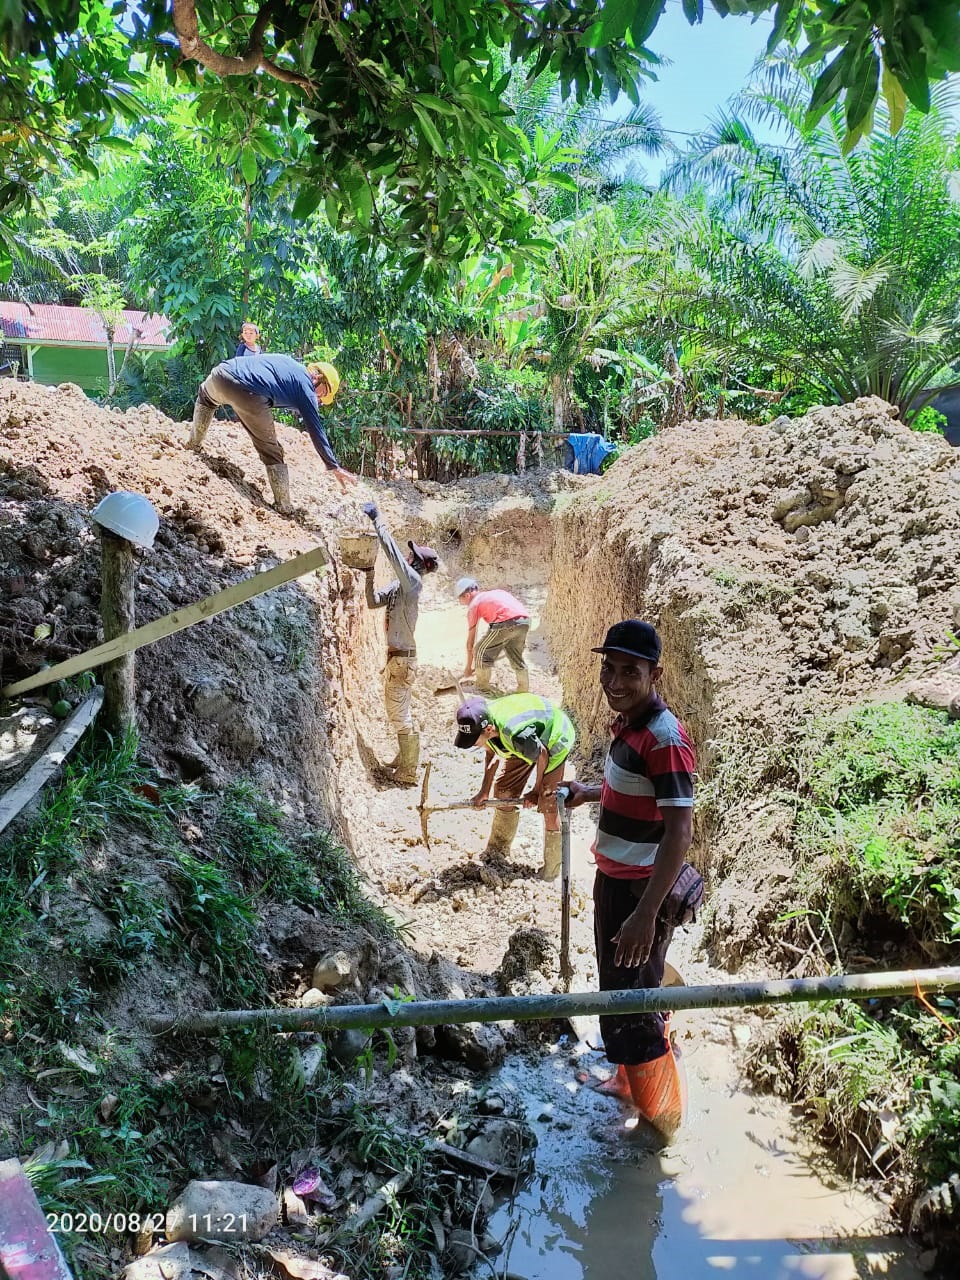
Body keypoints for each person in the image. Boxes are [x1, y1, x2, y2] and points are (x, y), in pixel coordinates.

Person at [564, 619, 703, 1141]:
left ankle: (661, 1125)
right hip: (616, 881)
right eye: (609, 668)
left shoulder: (665, 739)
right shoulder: (631, 726)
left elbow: (679, 831)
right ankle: (628, 1081)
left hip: (639, 892)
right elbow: (636, 792)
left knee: (635, 1007)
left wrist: (645, 912)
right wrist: (591, 792)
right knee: (621, 989)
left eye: (630, 672)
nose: (615, 681)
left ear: (655, 674)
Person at [187, 354, 353, 514]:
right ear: (318, 379)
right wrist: (332, 465)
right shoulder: (306, 386)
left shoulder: (289, 364)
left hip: (221, 373)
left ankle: (193, 444)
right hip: (248, 393)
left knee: (206, 398)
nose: (319, 399)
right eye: (323, 393)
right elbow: (315, 428)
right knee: (271, 450)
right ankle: (284, 505)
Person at [454, 692, 575, 880]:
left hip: (553, 737)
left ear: (488, 730)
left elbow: (542, 755)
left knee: (548, 805)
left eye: (473, 740)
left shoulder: (515, 733)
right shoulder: (485, 717)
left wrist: (536, 791)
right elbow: (491, 751)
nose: (473, 745)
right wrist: (484, 791)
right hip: (527, 739)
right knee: (503, 792)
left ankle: (551, 872)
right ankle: (497, 851)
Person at [361, 502, 439, 786]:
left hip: (402, 661)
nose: (406, 556)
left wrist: (377, 521)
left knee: (399, 715)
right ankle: (404, 760)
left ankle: (408, 771)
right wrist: (369, 573)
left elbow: (392, 555)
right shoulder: (400, 587)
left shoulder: (413, 582)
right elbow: (372, 602)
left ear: (416, 563)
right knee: (399, 712)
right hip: (399, 660)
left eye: (411, 555)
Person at [455, 578, 531, 693]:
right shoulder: (497, 593)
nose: (461, 603)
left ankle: (482, 687)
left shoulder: (474, 605)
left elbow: (471, 642)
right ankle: (523, 689)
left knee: (480, 651)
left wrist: (468, 668)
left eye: (460, 599)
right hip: (524, 622)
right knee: (515, 655)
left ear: (466, 595)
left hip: (505, 622)